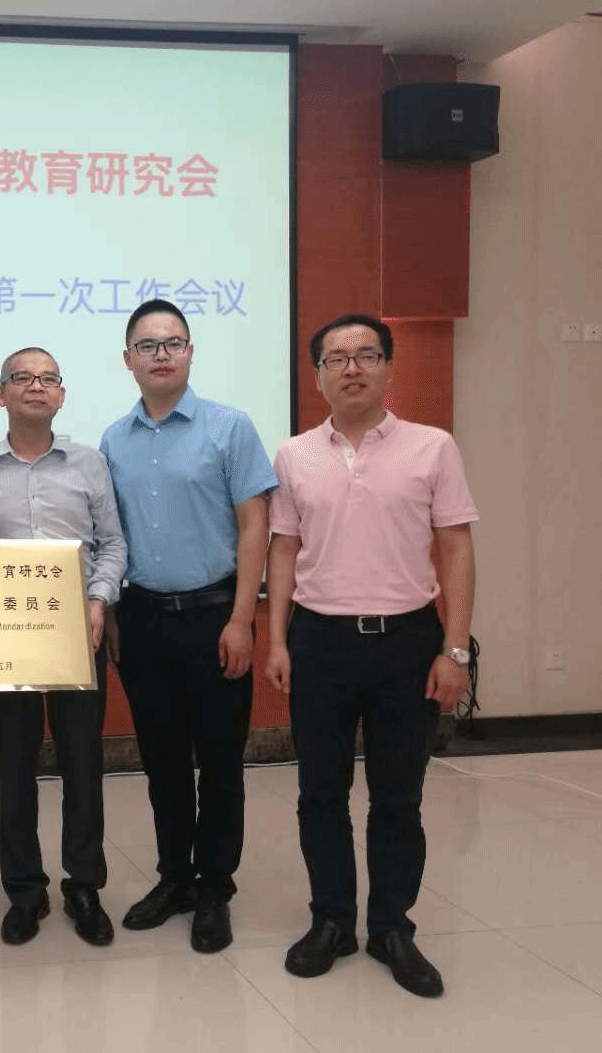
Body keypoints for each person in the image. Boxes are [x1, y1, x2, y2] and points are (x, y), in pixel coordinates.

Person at [266, 314, 476, 998]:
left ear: (388, 367)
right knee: (320, 795)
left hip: (407, 642)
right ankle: (332, 921)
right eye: (336, 358)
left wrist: (454, 650)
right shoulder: (294, 454)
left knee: (398, 798)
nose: (351, 367)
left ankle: (391, 928)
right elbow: (284, 550)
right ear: (317, 375)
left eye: (366, 355)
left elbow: (457, 549)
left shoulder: (432, 447)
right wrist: (277, 640)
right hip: (319, 642)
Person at [99, 298, 275, 954]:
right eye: (147, 345)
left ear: (191, 352)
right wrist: (114, 611)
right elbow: (111, 537)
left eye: (173, 342)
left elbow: (255, 525)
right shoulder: (113, 440)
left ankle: (214, 889)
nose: (161, 354)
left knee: (221, 764)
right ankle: (175, 878)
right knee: (163, 763)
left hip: (215, 617)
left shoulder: (231, 427)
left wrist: (242, 618)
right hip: (143, 619)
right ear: (128, 360)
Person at [0, 347, 127, 946]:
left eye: (47, 378)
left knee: (83, 764)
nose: (36, 386)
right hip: (6, 639)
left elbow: (112, 544)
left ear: (61, 394)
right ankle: (25, 890)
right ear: (0, 394)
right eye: (22, 378)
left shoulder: (89, 464)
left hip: (78, 633)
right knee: (16, 766)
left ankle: (84, 886)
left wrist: (98, 601)